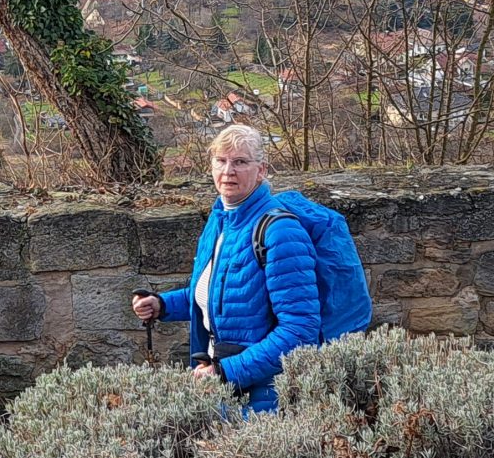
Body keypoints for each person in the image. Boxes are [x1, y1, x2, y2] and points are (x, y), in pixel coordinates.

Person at [130, 124, 368, 413]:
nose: (228, 171)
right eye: (221, 160)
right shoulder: (221, 220)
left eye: (240, 162)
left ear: (261, 170)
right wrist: (162, 304)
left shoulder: (281, 232)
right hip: (224, 381)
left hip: (267, 394)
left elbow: (300, 329)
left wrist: (226, 371)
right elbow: (219, 296)